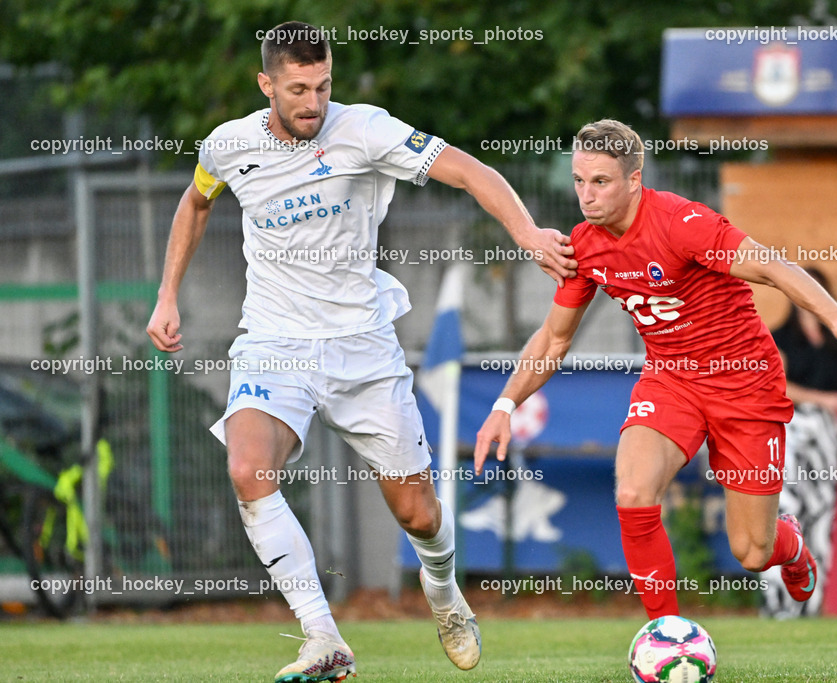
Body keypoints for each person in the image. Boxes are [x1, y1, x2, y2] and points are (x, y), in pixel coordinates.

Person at [146, 21, 576, 683]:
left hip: (363, 348)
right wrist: (167, 293)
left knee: (418, 512)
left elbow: (467, 169)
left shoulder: (365, 129)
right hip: (274, 341)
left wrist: (525, 230)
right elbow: (196, 201)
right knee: (248, 467)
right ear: (266, 85)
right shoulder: (228, 145)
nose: (314, 102)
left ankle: (442, 588)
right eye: (297, 90)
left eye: (322, 85)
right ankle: (323, 636)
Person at [474, 119, 837, 621]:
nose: (585, 196)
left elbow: (771, 266)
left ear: (634, 180)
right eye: (578, 181)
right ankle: (666, 635)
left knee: (751, 552)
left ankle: (788, 547)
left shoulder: (682, 223)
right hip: (671, 380)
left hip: (744, 381)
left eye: (600, 182)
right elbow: (554, 338)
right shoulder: (585, 245)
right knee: (634, 491)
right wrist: (506, 403)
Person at [761, 267, 837, 618]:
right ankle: (778, 605)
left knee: (822, 512)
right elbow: (778, 387)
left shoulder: (835, 340)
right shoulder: (779, 338)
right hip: (789, 426)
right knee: (787, 510)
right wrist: (827, 400)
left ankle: (812, 603)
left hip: (825, 431)